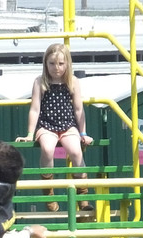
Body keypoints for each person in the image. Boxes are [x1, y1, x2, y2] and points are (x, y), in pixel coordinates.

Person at [16, 43, 94, 213]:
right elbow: (35, 109)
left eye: (60, 64)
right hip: (47, 125)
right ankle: (49, 192)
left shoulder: (72, 81)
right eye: (51, 63)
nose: (56, 68)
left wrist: (83, 133)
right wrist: (30, 133)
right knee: (47, 148)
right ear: (45, 64)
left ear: (67, 64)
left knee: (75, 151)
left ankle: (83, 196)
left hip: (68, 125)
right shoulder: (40, 82)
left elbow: (79, 109)